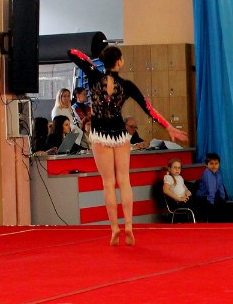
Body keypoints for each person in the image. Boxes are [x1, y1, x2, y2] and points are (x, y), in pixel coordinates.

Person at [68, 47, 188, 245]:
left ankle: (114, 228)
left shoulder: (94, 75)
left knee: (108, 183)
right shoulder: (126, 85)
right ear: (120, 62)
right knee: (124, 181)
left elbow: (71, 52)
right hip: (119, 135)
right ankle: (129, 226)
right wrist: (168, 127)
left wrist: (92, 62)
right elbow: (149, 108)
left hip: (100, 135)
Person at [194, 152, 233, 221]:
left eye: (216, 163)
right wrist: (211, 204)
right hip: (204, 198)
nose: (214, 166)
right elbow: (211, 190)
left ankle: (229, 226)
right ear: (206, 165)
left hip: (213, 197)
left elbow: (221, 188)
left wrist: (223, 200)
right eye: (211, 164)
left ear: (219, 164)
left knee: (227, 208)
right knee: (218, 210)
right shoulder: (207, 174)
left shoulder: (218, 173)